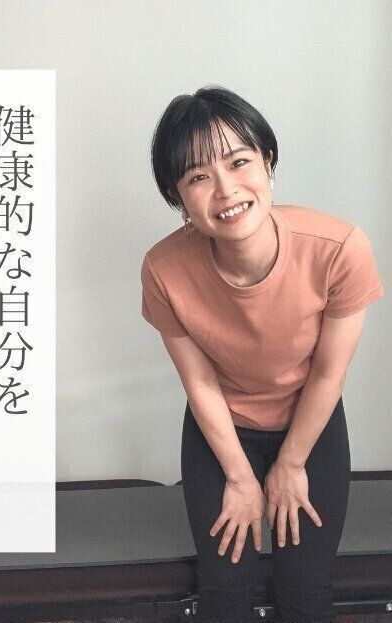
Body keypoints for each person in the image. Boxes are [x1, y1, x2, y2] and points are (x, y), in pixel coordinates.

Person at [141, 85, 384, 623]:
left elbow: (329, 373)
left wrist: (291, 462)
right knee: (225, 589)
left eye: (239, 162)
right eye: (198, 177)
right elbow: (199, 383)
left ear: (268, 163)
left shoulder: (340, 249)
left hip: (310, 420)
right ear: (179, 201)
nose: (226, 190)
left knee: (306, 590)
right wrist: (239, 477)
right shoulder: (164, 270)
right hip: (222, 428)